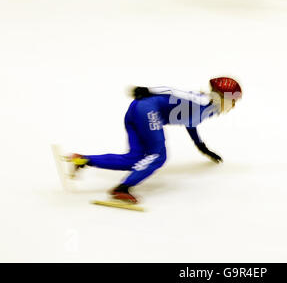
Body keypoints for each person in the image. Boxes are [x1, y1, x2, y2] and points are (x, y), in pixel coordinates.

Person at [68, 77, 242, 203]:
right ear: (222, 98)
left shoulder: (208, 109)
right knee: (158, 155)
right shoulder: (202, 100)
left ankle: (83, 159)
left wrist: (201, 146)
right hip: (148, 109)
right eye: (233, 101)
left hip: (137, 110)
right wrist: (149, 90)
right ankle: (121, 189)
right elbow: (174, 91)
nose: (233, 106)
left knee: (135, 159)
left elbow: (190, 122)